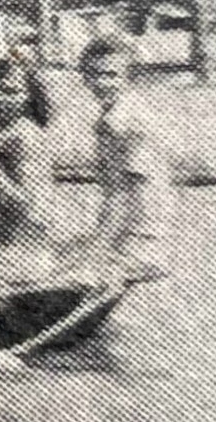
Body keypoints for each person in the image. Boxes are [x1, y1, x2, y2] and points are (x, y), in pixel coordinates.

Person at [74, 36, 177, 280]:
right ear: (84, 77)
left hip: (140, 239)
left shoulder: (125, 122)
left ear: (128, 78)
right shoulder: (115, 114)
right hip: (129, 231)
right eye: (94, 74)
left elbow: (125, 194)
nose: (101, 82)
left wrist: (97, 248)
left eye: (111, 75)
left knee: (69, 272)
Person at [0, 56, 58, 285]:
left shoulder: (23, 136)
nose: (3, 99)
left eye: (13, 92)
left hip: (18, 254)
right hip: (18, 246)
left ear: (29, 96)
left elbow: (24, 203)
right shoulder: (6, 133)